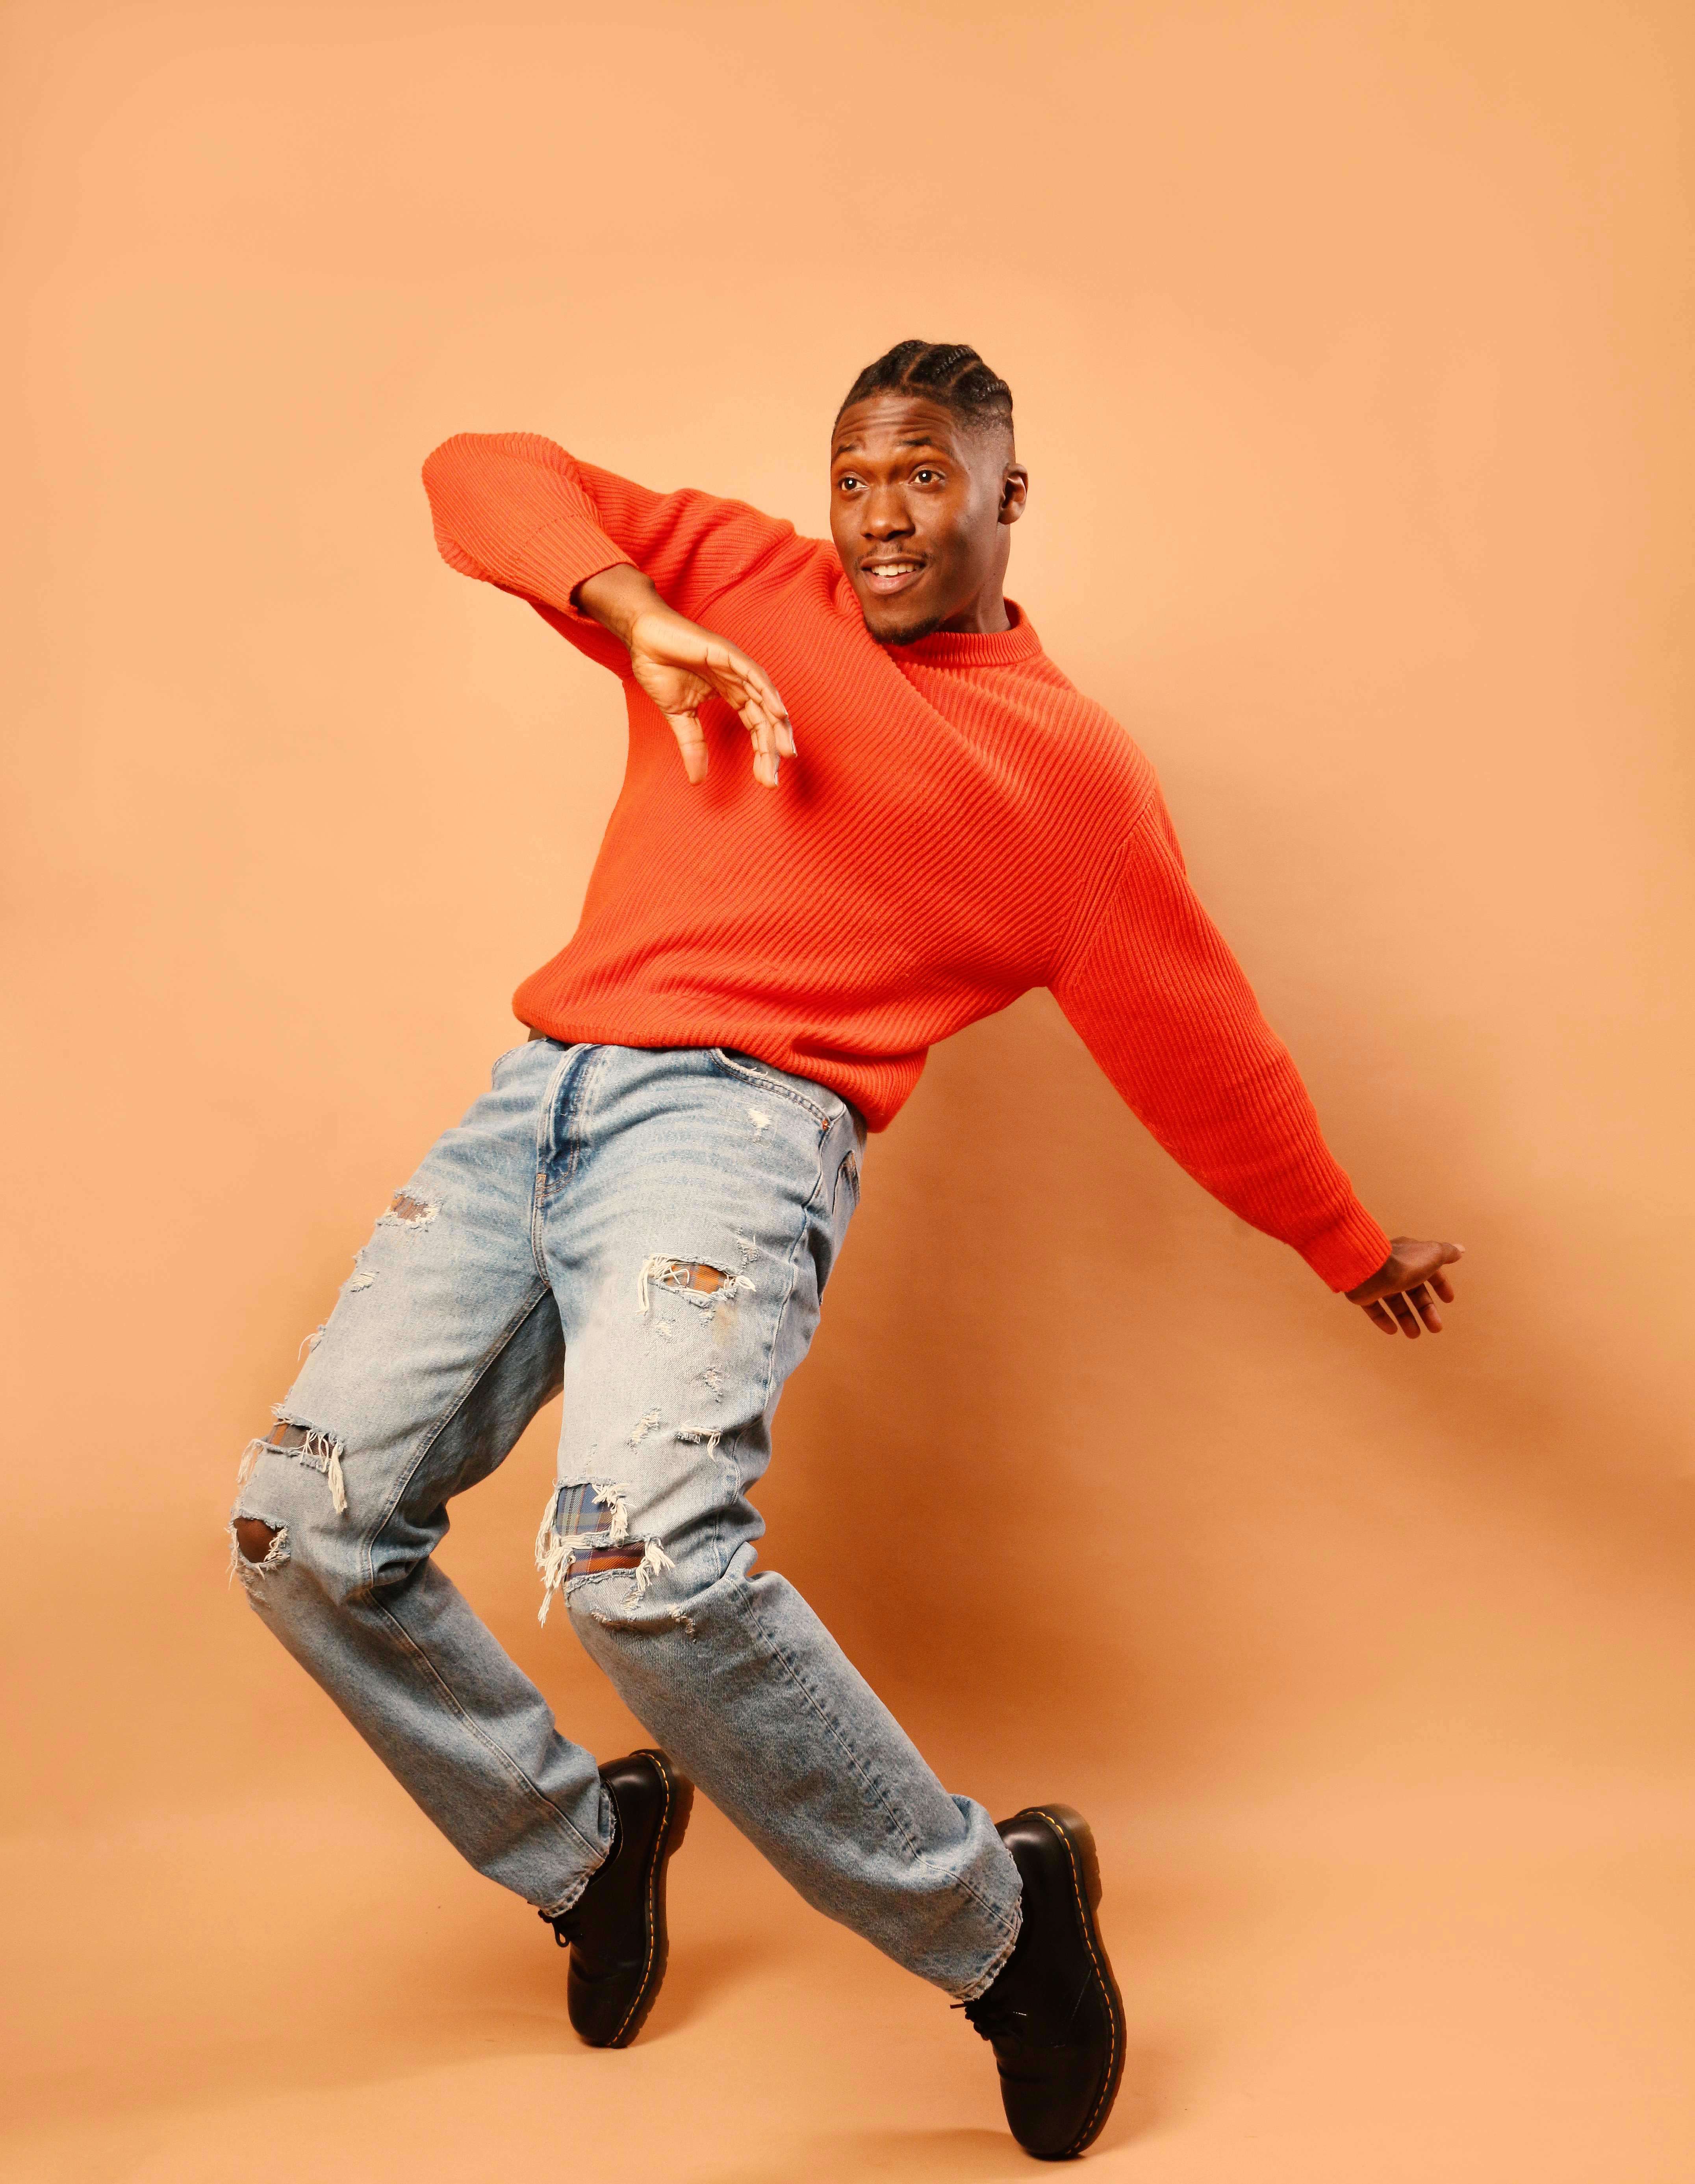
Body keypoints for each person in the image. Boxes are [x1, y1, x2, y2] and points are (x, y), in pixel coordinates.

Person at [228, 339, 1461, 2162]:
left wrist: (1340, 1239)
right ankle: (582, 1846)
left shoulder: (1061, 779)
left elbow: (1205, 1047)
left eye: (925, 479)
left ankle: (998, 1921)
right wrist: (636, 617)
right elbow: (480, 465)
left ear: (1002, 496)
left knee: (641, 1560)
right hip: (536, 1103)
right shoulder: (735, 580)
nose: (881, 517)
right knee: (300, 1522)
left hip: (732, 1138)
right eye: (858, 477)